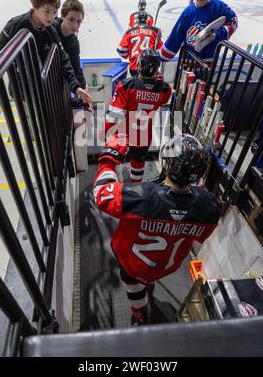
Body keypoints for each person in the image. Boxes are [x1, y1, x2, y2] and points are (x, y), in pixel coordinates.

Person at [93, 133, 221, 325]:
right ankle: (147, 289)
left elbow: (101, 194)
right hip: (166, 266)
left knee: (132, 283)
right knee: (147, 277)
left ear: (168, 165)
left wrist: (109, 157)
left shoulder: (140, 197)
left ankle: (139, 314)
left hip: (133, 263)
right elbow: (199, 232)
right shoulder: (210, 207)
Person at [0, 0, 92, 108]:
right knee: (31, 122)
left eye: (54, 12)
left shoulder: (50, 31)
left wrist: (76, 87)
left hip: (41, 90)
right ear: (35, 5)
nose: (51, 17)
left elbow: (63, 58)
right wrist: (14, 64)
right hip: (22, 91)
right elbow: (0, 44)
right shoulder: (16, 24)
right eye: (47, 11)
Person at [103, 49, 171, 182]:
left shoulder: (126, 86)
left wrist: (109, 137)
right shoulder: (165, 90)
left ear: (139, 65)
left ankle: (114, 187)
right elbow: (161, 98)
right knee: (138, 163)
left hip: (124, 133)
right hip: (144, 135)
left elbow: (113, 116)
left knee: (114, 161)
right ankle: (136, 189)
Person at [159, 0, 238, 66]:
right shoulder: (188, 12)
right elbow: (175, 38)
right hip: (187, 65)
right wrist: (160, 57)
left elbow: (234, 21)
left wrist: (217, 34)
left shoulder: (219, 7)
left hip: (208, 65)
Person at [53, 0, 89, 109]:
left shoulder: (74, 42)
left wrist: (83, 88)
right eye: (71, 19)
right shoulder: (51, 30)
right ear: (62, 16)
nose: (75, 25)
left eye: (79, 21)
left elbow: (76, 67)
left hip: (58, 85)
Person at [117, 11, 163, 76]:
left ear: (137, 20)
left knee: (135, 85)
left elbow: (121, 50)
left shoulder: (129, 32)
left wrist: (128, 55)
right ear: (147, 20)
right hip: (150, 67)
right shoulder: (154, 31)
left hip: (134, 67)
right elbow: (160, 49)